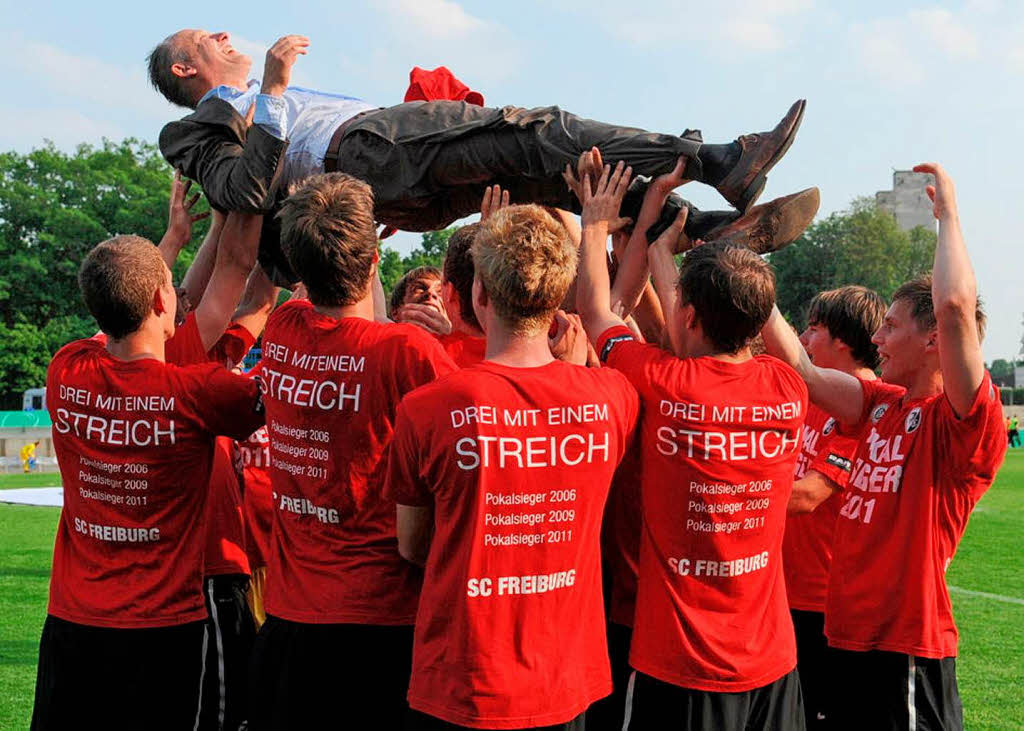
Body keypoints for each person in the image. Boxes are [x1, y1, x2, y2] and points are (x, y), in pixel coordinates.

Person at [149, 30, 815, 284]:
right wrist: (268, 95)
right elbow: (243, 191)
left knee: (556, 178)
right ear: (186, 67)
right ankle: (716, 159)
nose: (225, 36)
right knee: (540, 130)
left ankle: (693, 226)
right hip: (365, 152)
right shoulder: (197, 131)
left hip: (389, 180)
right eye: (208, 39)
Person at [759, 163, 1007, 729]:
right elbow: (799, 366)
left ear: (931, 341)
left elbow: (954, 309)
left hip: (907, 648)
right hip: (845, 635)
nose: (876, 337)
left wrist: (948, 217)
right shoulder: (879, 405)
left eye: (890, 326)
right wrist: (750, 273)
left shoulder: (959, 425)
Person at [573, 156, 809, 730]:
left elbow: (596, 312)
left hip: (680, 666)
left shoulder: (662, 380)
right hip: (773, 664)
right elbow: (703, 340)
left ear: (693, 315)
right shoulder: (787, 387)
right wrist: (657, 247)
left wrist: (595, 223)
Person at [385, 203, 638, 730]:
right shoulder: (614, 396)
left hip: (464, 678)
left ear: (477, 295)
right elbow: (608, 314)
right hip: (565, 679)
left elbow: (412, 546)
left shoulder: (426, 407)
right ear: (555, 300)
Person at [248, 172, 457, 730]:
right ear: (373, 265)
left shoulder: (286, 327)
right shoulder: (411, 351)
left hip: (290, 621)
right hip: (384, 621)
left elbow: (343, 313)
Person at [31, 236, 264, 731]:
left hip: (74, 620)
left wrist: (171, 244)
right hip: (165, 627)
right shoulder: (198, 393)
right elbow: (242, 288)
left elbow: (120, 304)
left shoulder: (66, 370)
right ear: (162, 300)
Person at [782, 285, 885, 729]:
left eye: (814, 328)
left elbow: (807, 496)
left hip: (823, 603)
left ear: (842, 339)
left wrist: (721, 486)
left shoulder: (865, 404)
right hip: (789, 592)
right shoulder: (818, 395)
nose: (804, 339)